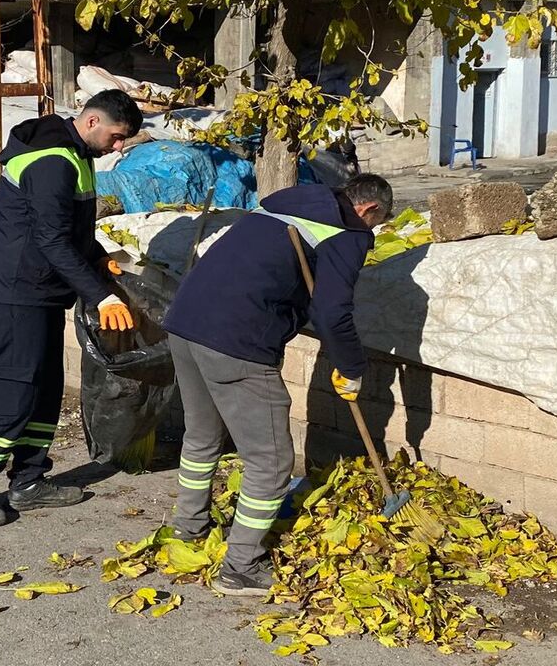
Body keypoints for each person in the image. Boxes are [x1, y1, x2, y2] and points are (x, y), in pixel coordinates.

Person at [162, 173, 393, 595]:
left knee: (201, 436)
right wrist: (352, 366)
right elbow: (332, 312)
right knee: (270, 460)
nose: (372, 232)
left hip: (185, 322)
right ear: (369, 210)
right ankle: (241, 566)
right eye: (376, 224)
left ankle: (188, 529)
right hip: (237, 340)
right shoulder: (348, 233)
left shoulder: (290, 200)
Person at [0, 89, 144, 527]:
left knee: (46, 387)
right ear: (92, 122)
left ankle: (29, 481)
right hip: (16, 292)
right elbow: (51, 239)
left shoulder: (76, 154)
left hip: (42, 290)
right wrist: (101, 294)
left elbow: (68, 228)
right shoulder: (52, 159)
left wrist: (97, 257)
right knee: (14, 390)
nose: (119, 147)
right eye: (116, 137)